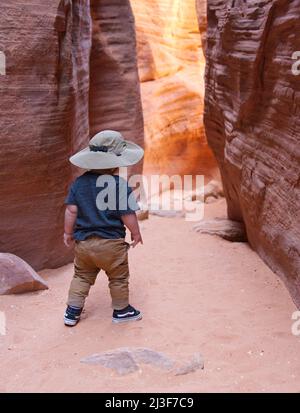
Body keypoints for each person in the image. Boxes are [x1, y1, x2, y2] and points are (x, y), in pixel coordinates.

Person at [63, 130, 144, 326]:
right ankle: (122, 310)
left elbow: (71, 211)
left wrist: (67, 232)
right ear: (116, 162)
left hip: (84, 244)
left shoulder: (79, 184)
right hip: (111, 245)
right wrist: (135, 232)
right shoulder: (118, 185)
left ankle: (72, 312)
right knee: (118, 277)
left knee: (81, 277)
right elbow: (127, 214)